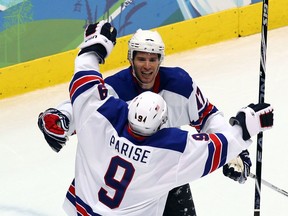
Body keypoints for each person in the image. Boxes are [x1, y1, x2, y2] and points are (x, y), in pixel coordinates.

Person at [40, 20, 274, 215]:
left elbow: (207, 117)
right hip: (159, 167)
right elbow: (81, 109)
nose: (147, 66)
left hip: (159, 173)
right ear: (131, 59)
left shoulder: (180, 85)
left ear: (160, 60)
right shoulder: (117, 88)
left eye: (153, 59)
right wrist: (237, 140)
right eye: (141, 59)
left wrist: (61, 117)